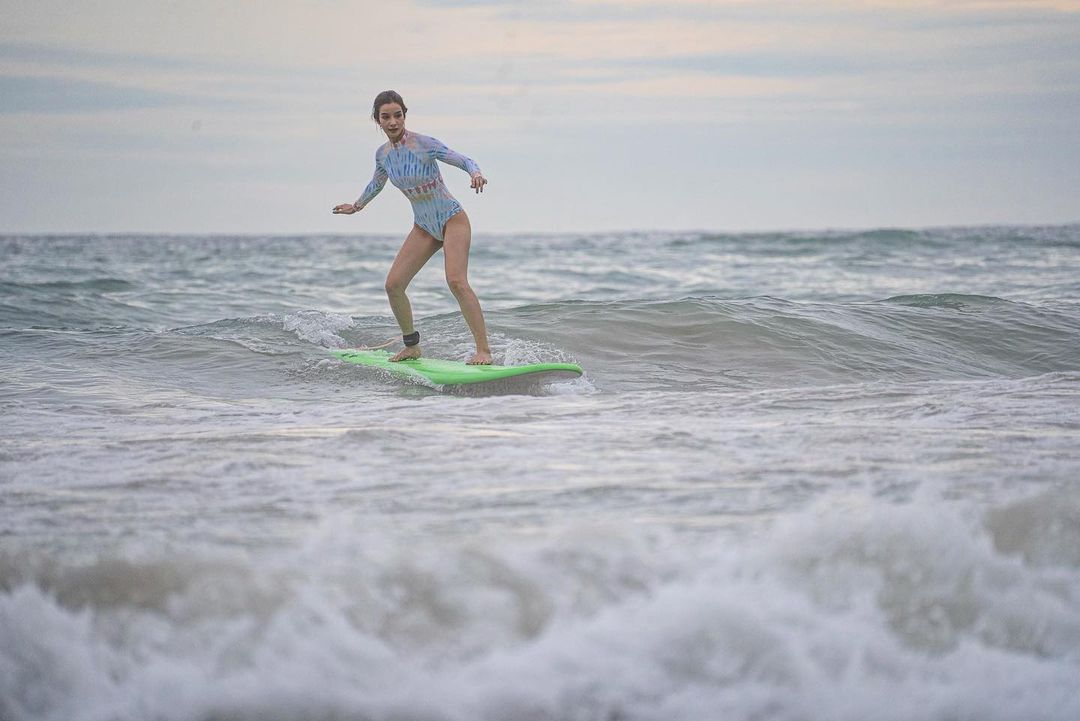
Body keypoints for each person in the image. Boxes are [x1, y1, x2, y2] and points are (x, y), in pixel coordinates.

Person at [333, 90, 492, 365]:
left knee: (456, 281)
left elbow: (464, 159)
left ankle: (484, 351)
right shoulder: (382, 155)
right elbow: (376, 184)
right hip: (424, 227)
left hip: (452, 219)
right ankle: (411, 346)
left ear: (404, 115)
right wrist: (356, 206)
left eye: (398, 115)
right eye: (386, 117)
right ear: (377, 121)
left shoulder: (424, 144)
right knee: (393, 285)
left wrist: (475, 173)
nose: (393, 122)